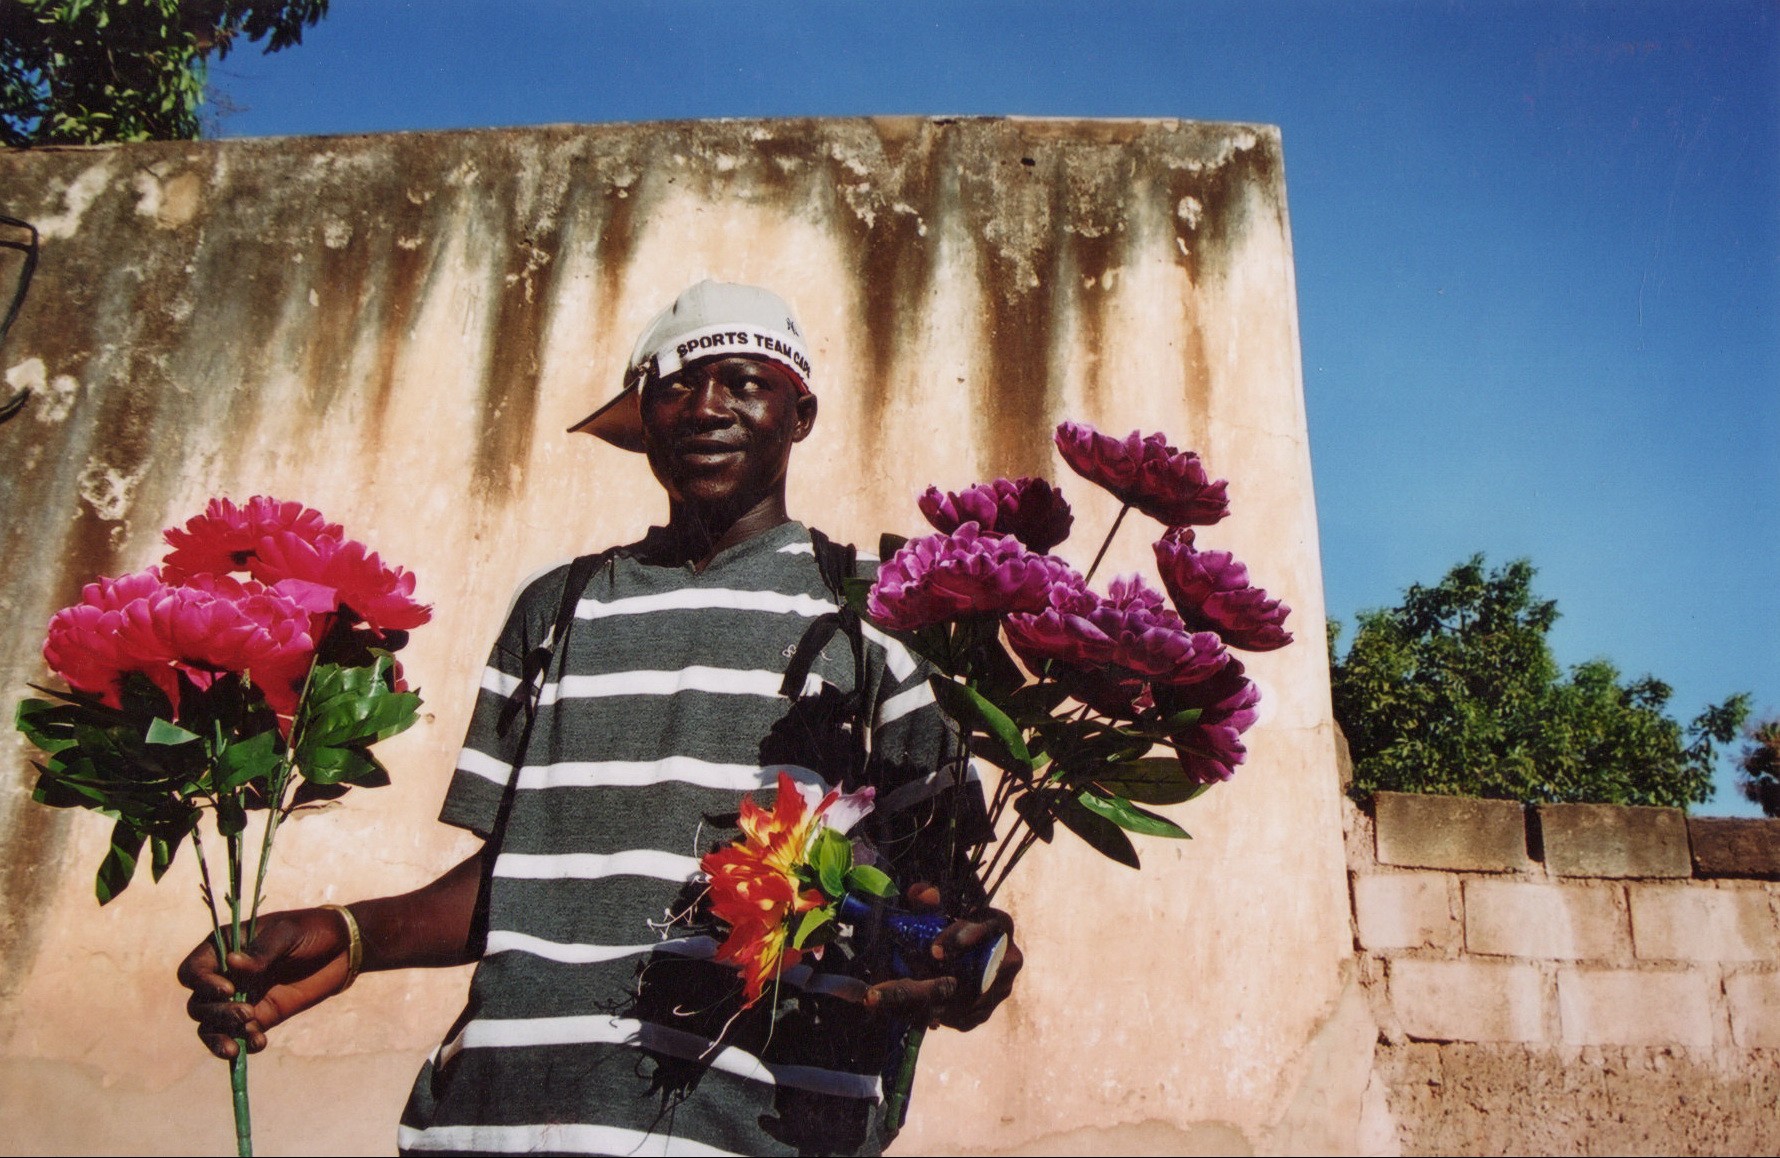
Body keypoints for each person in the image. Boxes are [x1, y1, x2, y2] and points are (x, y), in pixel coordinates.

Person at [180, 281, 1021, 1157]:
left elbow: (936, 891)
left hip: (744, 1134)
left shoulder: (872, 620)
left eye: (744, 381)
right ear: (644, 422)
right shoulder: (557, 609)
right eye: (674, 387)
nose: (706, 406)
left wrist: (969, 952)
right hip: (492, 1122)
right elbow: (525, 877)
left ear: (799, 413)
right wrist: (350, 935)